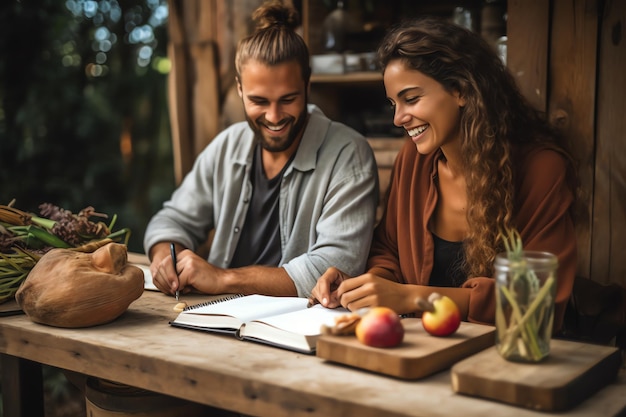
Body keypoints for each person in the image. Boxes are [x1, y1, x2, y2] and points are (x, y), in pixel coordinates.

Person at [309, 16, 579, 332]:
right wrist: (365, 285)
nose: (398, 119)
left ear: (462, 91)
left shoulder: (541, 170)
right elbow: (388, 251)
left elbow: (537, 299)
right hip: (420, 350)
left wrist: (413, 298)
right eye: (393, 103)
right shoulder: (414, 160)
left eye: (411, 99)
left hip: (509, 357)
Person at [144, 0, 378, 300]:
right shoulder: (227, 145)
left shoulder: (349, 155)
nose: (274, 116)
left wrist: (222, 278)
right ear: (240, 88)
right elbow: (171, 220)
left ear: (307, 84)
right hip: (214, 318)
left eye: (287, 99)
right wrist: (166, 259)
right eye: (259, 101)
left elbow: (333, 269)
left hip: (295, 330)